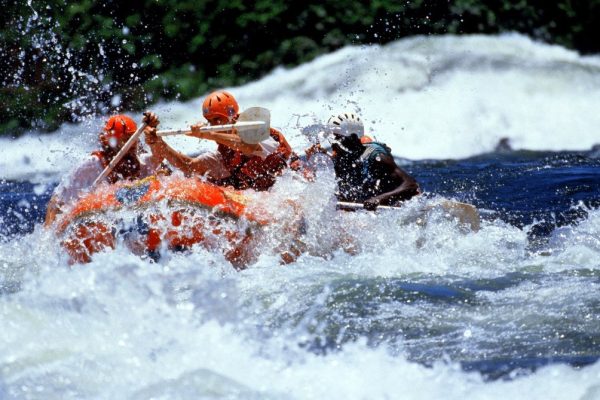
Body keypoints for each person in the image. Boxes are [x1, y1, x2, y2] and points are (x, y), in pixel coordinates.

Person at [144, 90, 297, 191]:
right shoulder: (223, 153)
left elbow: (248, 147)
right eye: (209, 121)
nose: (212, 125)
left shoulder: (256, 130)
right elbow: (188, 166)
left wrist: (208, 134)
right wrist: (159, 142)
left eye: (217, 119)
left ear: (232, 116)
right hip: (267, 196)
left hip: (292, 184)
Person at [45, 113, 163, 225]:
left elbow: (161, 158)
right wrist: (50, 235)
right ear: (110, 142)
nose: (132, 144)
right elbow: (57, 201)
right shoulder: (92, 165)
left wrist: (153, 134)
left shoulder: (141, 161)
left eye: (134, 138)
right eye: (126, 139)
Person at [307, 112, 420, 210]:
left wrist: (378, 199)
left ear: (352, 138)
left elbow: (411, 185)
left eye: (337, 137)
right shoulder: (341, 158)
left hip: (393, 207)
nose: (333, 141)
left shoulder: (376, 156)